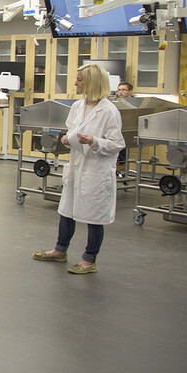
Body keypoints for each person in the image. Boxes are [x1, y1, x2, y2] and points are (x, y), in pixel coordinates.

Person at [33, 64, 125, 274]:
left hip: (96, 170)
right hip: (76, 167)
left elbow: (116, 144)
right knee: (67, 211)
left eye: (79, 79)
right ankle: (60, 250)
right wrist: (68, 139)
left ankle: (89, 260)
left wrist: (93, 140)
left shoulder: (109, 111)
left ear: (92, 82)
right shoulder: (77, 106)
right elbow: (72, 130)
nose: (75, 83)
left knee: (94, 218)